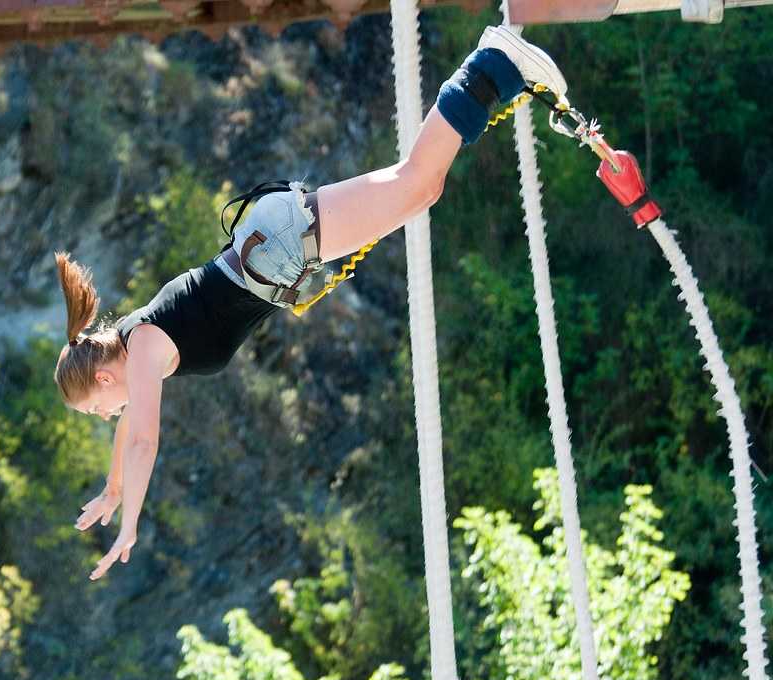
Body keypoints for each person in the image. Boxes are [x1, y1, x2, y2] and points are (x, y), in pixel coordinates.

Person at [60, 25, 569, 581]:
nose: (104, 416)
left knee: (416, 183)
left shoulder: (145, 348)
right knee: (422, 188)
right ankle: (496, 72)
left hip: (277, 245)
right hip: (273, 247)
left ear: (105, 380)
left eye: (94, 408)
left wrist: (130, 522)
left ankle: (492, 61)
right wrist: (112, 491)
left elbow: (142, 439)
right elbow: (129, 428)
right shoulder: (133, 349)